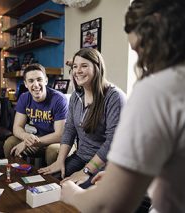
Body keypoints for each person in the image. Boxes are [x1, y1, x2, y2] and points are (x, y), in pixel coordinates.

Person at [61, 0, 185, 212]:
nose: (142, 63)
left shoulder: (157, 90)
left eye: (141, 51)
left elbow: (109, 204)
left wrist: (72, 193)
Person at [38, 48, 126, 189]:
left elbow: (112, 143)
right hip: (80, 157)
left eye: (84, 66)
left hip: (106, 164)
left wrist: (86, 171)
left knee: (74, 190)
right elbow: (69, 129)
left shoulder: (114, 97)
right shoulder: (75, 96)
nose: (77, 71)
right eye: (75, 66)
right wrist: (60, 161)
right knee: (50, 182)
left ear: (97, 68)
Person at [3, 63, 69, 166]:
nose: (36, 85)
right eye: (31, 81)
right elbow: (17, 127)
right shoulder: (24, 98)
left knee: (52, 151)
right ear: (25, 84)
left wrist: (28, 142)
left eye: (39, 79)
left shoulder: (59, 99)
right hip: (37, 140)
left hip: (57, 142)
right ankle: (14, 177)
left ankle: (51, 181)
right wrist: (25, 136)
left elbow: (60, 135)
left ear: (46, 81)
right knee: (10, 143)